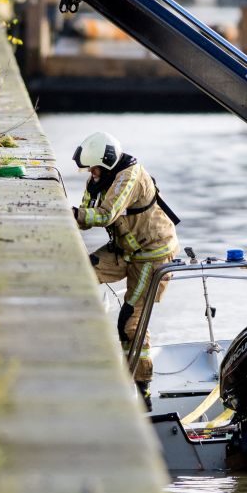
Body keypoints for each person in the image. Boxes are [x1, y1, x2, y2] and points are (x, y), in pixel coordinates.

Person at [71, 132, 180, 411]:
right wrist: (70, 214)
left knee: (130, 321)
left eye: (94, 169)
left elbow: (106, 215)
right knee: (79, 271)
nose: (91, 174)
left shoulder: (129, 177)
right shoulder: (98, 180)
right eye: (89, 170)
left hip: (151, 256)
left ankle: (141, 389)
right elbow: (85, 216)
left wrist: (73, 214)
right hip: (126, 250)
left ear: (107, 163)